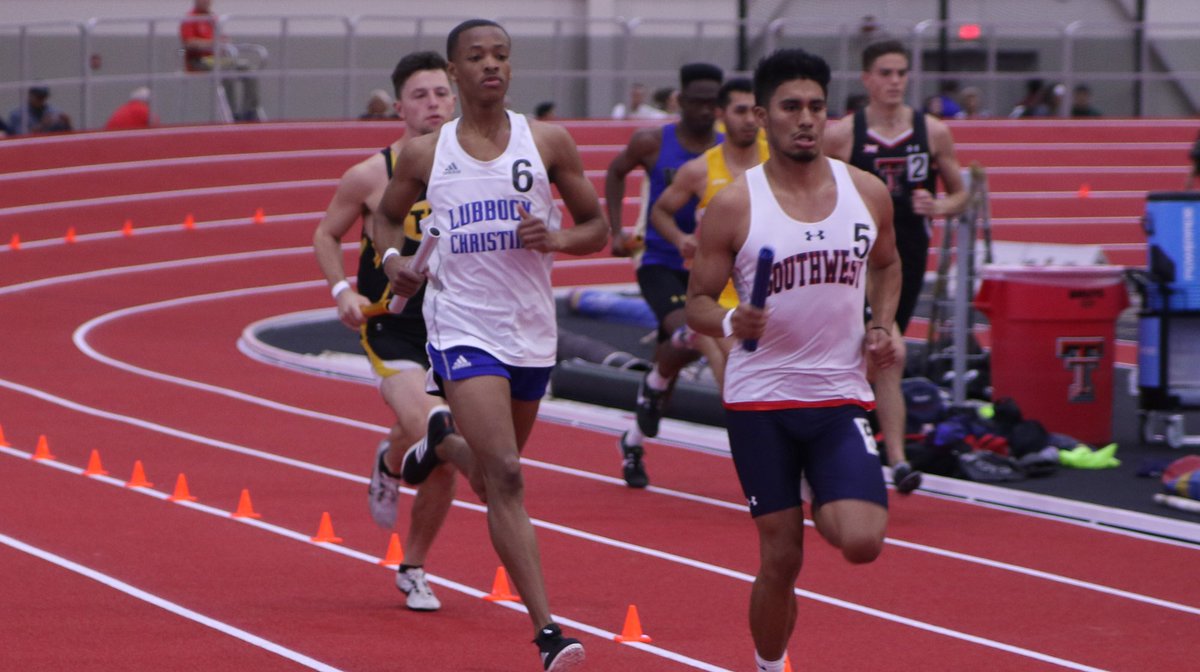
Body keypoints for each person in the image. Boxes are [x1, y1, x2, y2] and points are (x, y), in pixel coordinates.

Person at [376, 19, 606, 671]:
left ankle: (436, 442)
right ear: (454, 71)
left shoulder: (549, 142)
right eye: (476, 57)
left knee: (487, 472)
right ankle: (548, 632)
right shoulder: (428, 154)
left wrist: (559, 240)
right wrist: (394, 259)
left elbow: (598, 227)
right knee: (506, 476)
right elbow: (384, 216)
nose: (491, 66)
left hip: (530, 330)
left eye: (501, 55)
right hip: (462, 326)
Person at [685, 47, 902, 672]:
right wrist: (731, 320)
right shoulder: (735, 205)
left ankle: (825, 483)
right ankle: (769, 665)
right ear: (761, 116)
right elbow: (697, 301)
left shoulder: (866, 192)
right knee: (782, 557)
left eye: (815, 106)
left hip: (837, 395)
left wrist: (883, 322)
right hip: (762, 402)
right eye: (790, 107)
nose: (804, 119)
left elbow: (887, 265)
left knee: (860, 541)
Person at [312, 51, 470, 612]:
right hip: (392, 327)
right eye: (421, 95)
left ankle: (413, 561)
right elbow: (326, 235)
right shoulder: (369, 175)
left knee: (436, 452)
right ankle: (399, 480)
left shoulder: (476, 166)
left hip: (457, 326)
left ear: (456, 99)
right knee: (441, 430)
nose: (433, 103)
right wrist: (342, 292)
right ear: (399, 106)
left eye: (441, 93)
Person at [825, 39, 968, 495]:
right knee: (882, 354)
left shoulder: (933, 131)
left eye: (901, 73)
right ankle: (895, 459)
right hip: (855, 263)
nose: (894, 82)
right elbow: (811, 190)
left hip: (905, 262)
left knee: (882, 355)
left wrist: (941, 205)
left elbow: (964, 192)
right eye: (885, 73)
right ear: (866, 78)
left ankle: (858, 447)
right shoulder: (845, 133)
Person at [605, 62, 723, 488]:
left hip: (712, 268)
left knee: (670, 365)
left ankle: (633, 440)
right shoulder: (653, 141)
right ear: (681, 101)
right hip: (658, 260)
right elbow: (616, 172)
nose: (707, 110)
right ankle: (652, 395)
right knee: (688, 331)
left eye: (714, 103)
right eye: (698, 101)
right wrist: (616, 228)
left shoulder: (731, 151)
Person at [644, 76, 764, 397]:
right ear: (721, 114)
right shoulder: (700, 170)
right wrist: (681, 239)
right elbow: (660, 211)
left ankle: (686, 341)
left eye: (755, 111)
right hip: (719, 290)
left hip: (767, 284)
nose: (750, 120)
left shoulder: (779, 160)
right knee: (734, 363)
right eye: (740, 111)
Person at [180, 0, 262, 121]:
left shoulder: (213, 19)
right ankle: (233, 112)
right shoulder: (190, 19)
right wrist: (212, 44)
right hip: (200, 61)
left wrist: (224, 42)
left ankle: (249, 110)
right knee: (227, 73)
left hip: (217, 59)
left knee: (247, 68)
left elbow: (220, 38)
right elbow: (189, 43)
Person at [6, 86, 72, 135]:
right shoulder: (18, 115)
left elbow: (67, 135)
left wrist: (67, 123)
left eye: (44, 97)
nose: (41, 100)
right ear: (30, 95)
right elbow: (19, 137)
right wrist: (42, 125)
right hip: (28, 149)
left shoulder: (53, 111)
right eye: (39, 97)